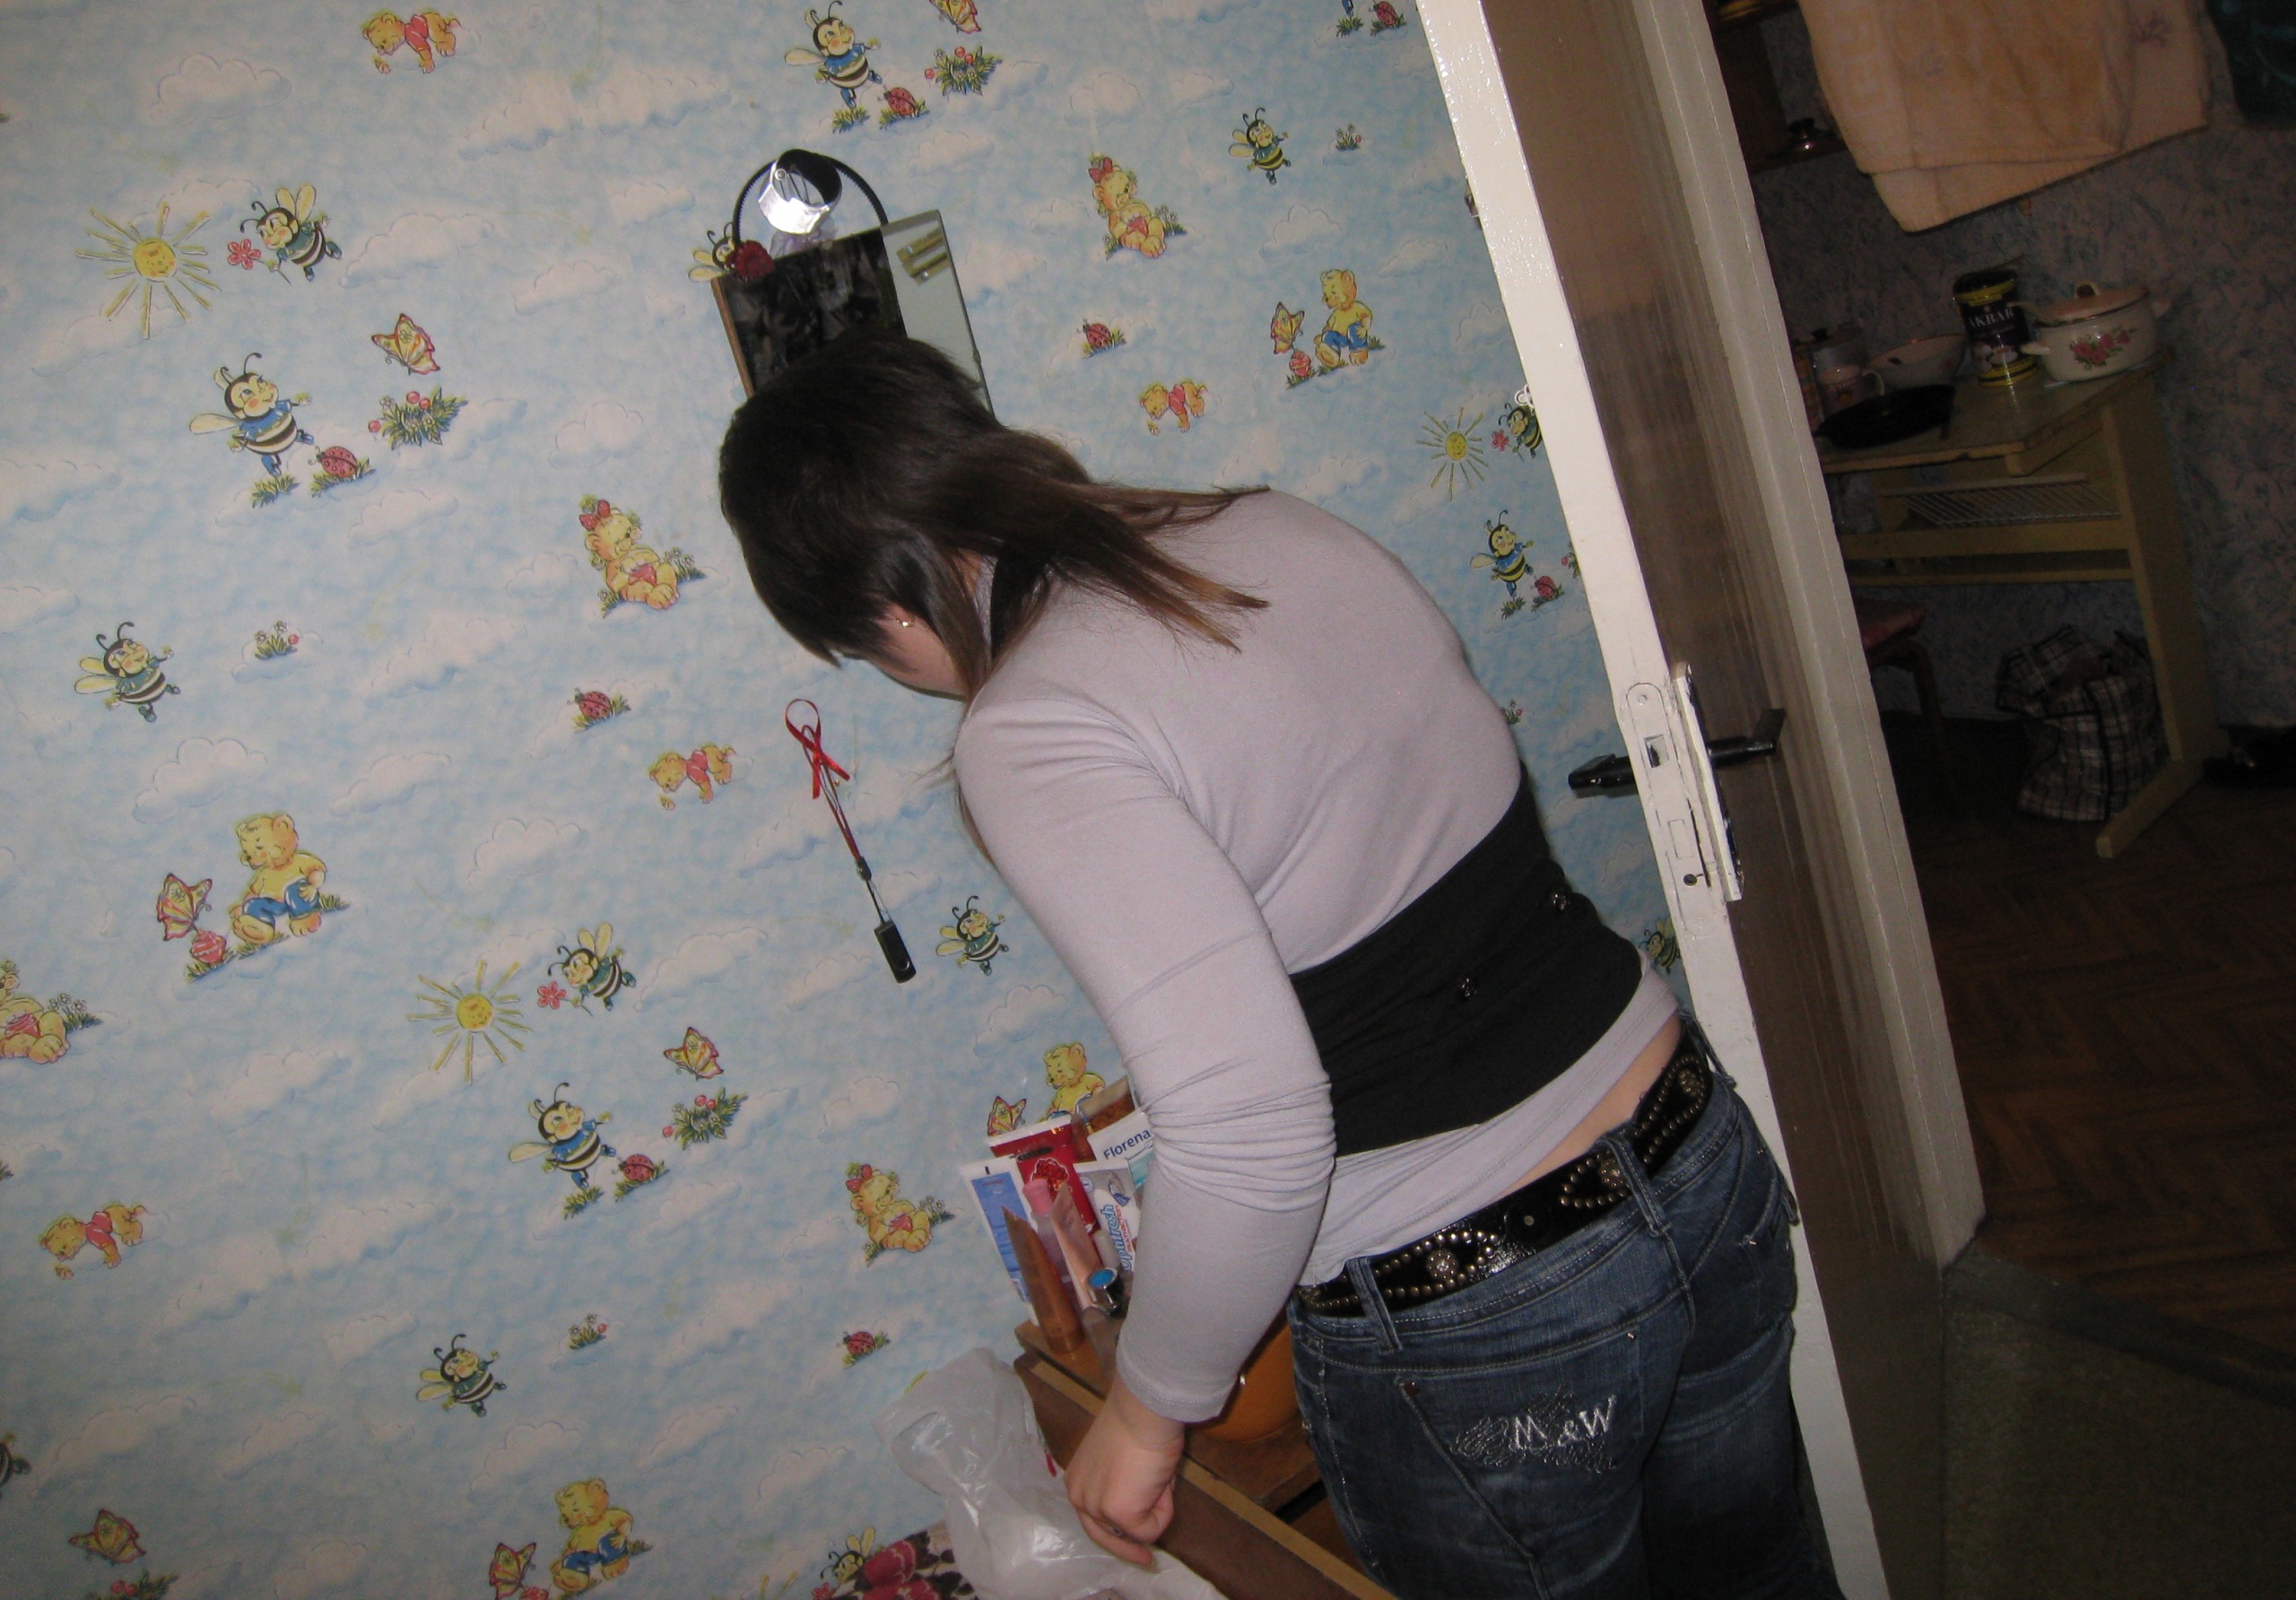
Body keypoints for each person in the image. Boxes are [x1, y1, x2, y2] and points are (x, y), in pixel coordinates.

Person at [718, 333, 1842, 1599]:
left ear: (884, 607)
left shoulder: (1031, 723)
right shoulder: (1271, 525)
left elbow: (1252, 1129)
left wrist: (1145, 1413)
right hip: (1694, 1153)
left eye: (874, 654)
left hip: (1496, 1302)